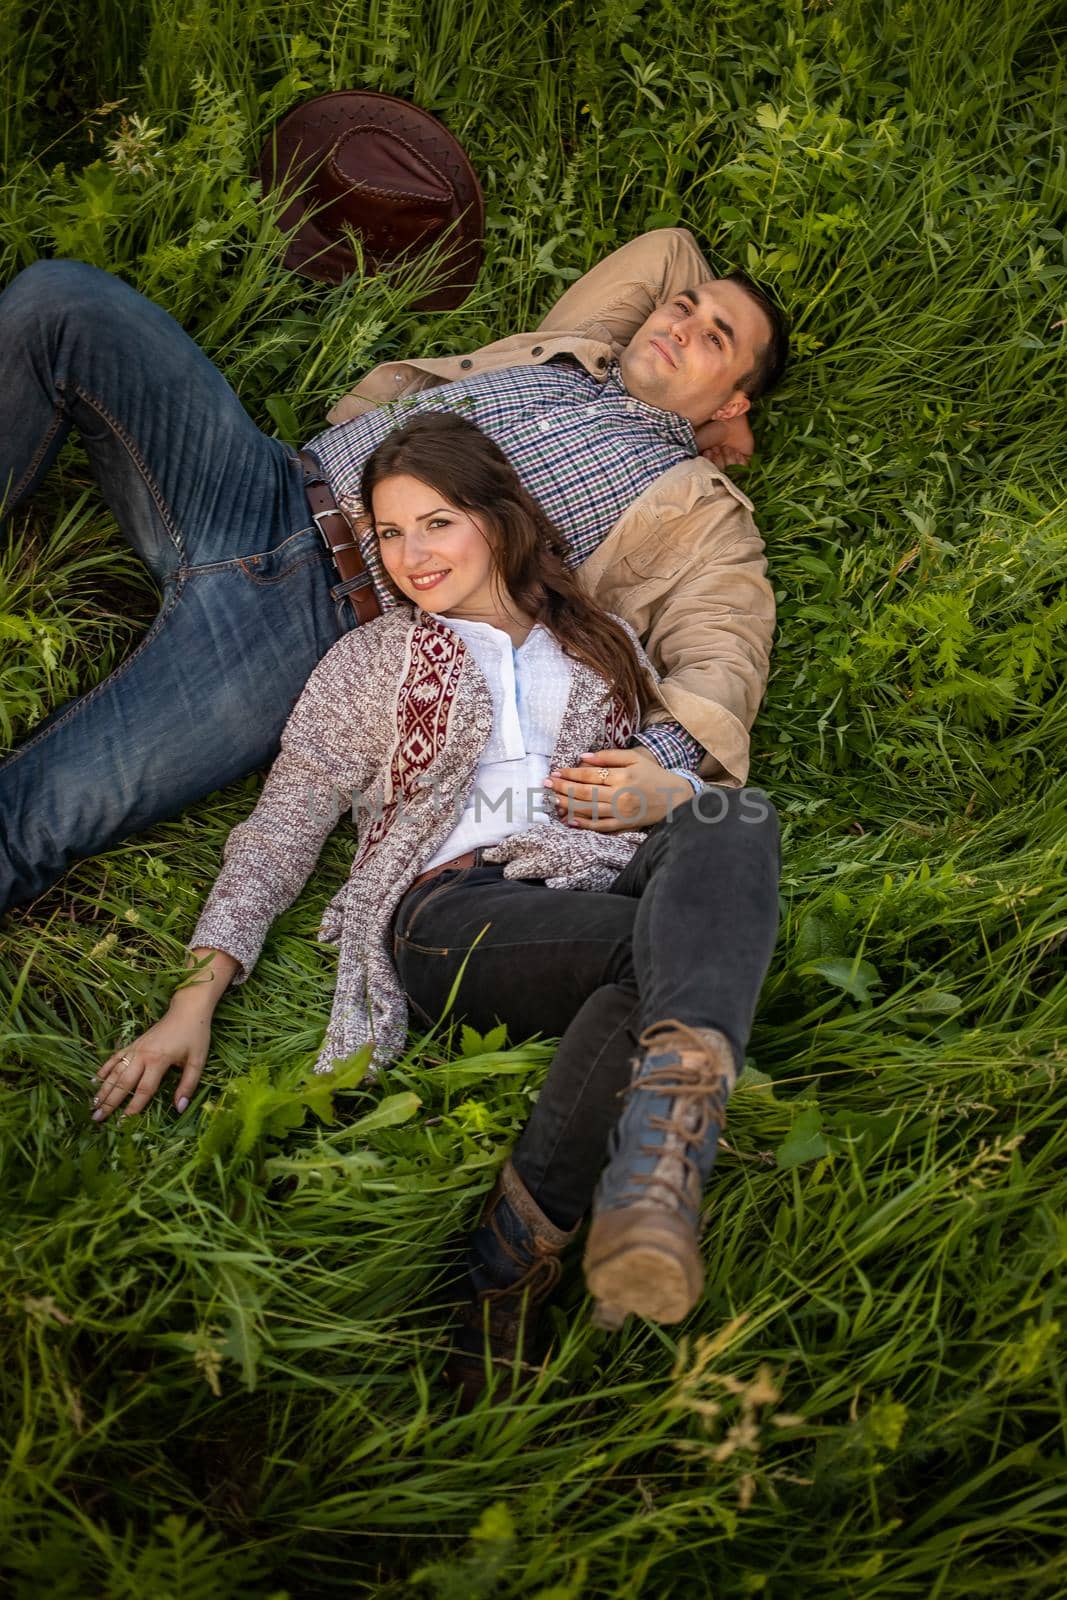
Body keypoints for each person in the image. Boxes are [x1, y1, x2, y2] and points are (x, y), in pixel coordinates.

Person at [89, 413, 781, 1405]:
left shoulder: (602, 644)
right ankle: (632, 1188)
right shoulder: (369, 663)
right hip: (451, 909)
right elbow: (281, 828)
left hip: (598, 884)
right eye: (390, 533)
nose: (412, 554)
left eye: (437, 522)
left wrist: (667, 795)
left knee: (733, 813)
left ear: (496, 521)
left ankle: (524, 1245)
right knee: (673, 953)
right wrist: (194, 995)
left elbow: (688, 775)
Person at [0, 227, 787, 914]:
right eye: (683, 307)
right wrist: (700, 326)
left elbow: (725, 651)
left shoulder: (700, 513)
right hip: (260, 481)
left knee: (40, 816)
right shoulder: (584, 348)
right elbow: (667, 248)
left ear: (732, 405)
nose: (681, 327)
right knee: (61, 301)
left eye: (715, 339)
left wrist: (667, 767)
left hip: (326, 630)